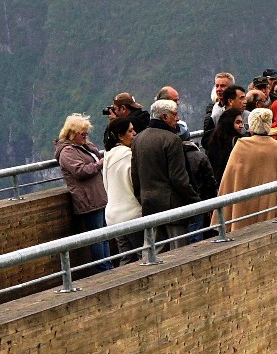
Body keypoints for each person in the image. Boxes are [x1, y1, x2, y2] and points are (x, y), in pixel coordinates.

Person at [131, 98, 199, 242]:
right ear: (164, 117)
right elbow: (179, 178)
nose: (177, 118)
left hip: (149, 205)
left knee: (156, 252)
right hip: (172, 205)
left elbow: (135, 176)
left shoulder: (138, 139)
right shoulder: (172, 139)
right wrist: (195, 199)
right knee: (178, 249)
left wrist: (142, 197)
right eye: (174, 114)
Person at [218, 107, 277, 232]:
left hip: (243, 206)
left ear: (251, 125)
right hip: (270, 205)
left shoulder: (241, 146)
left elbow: (228, 180)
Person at [55, 114, 110, 271]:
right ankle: (103, 268)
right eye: (83, 134)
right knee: (97, 237)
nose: (86, 137)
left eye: (87, 133)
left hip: (98, 196)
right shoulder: (67, 152)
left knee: (104, 234)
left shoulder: (82, 146)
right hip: (88, 200)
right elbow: (79, 171)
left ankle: (108, 265)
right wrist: (98, 164)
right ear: (72, 133)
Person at [102, 117, 143, 262]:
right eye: (130, 131)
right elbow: (136, 183)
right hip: (131, 214)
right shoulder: (128, 155)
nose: (135, 133)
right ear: (120, 136)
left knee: (126, 257)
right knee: (143, 255)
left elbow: (106, 185)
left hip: (113, 216)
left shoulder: (108, 155)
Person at [204, 105, 244, 182]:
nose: (241, 126)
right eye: (238, 122)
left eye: (241, 122)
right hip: (233, 179)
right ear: (229, 123)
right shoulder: (238, 141)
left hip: (220, 181)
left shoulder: (214, 139)